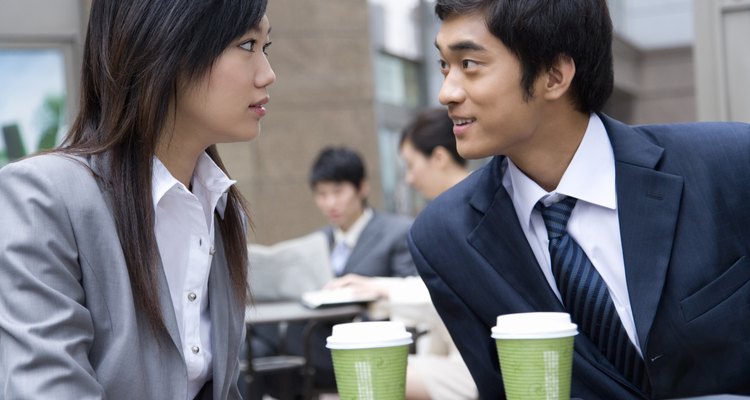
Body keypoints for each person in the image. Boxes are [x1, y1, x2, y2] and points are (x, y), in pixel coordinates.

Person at [408, 0, 750, 399]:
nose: (446, 92)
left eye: (469, 64)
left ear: (554, 75)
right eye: (445, 66)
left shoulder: (727, 165)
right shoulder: (443, 239)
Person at [0, 0, 275, 398]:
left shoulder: (221, 209)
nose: (268, 75)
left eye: (266, 48)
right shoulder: (42, 199)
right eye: (248, 45)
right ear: (166, 43)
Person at [325, 108, 477, 399]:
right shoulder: (451, 212)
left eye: (410, 165)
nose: (408, 178)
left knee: (371, 374)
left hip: (477, 363)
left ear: (440, 158)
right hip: (452, 356)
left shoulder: (467, 213)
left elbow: (455, 293)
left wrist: (381, 291)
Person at [252, 146, 417, 396]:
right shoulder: (314, 243)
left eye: (338, 192)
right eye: (322, 194)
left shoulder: (397, 233)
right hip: (314, 341)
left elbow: (410, 292)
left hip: (366, 343)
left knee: (255, 334)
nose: (330, 203)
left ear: (362, 187)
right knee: (253, 351)